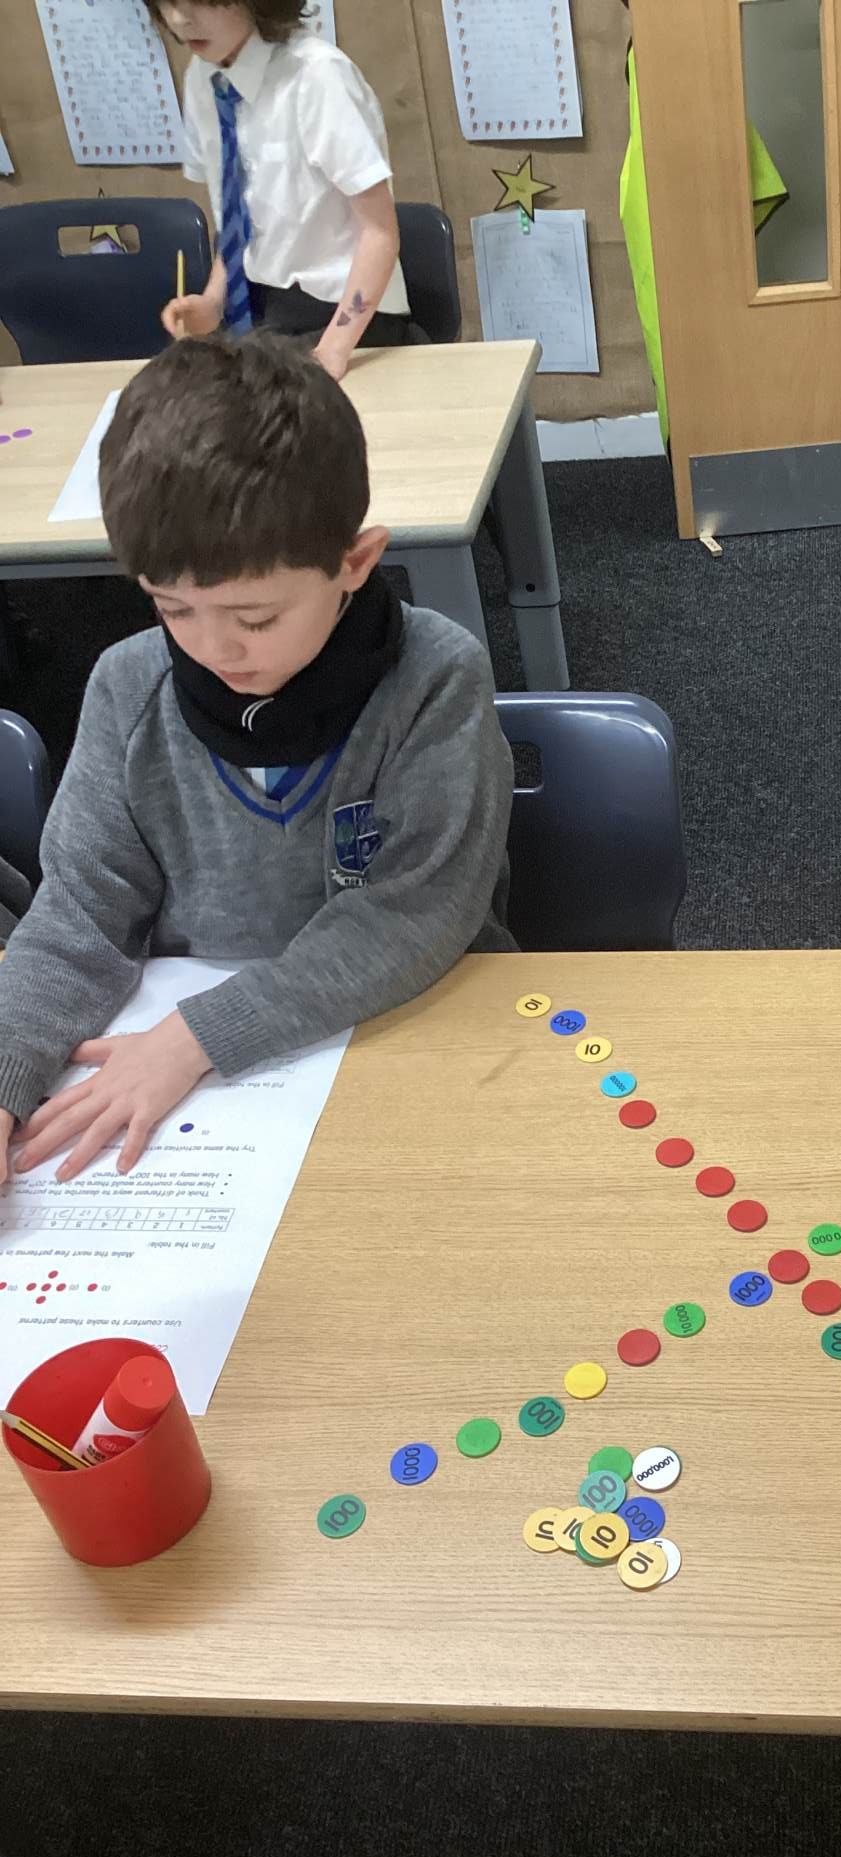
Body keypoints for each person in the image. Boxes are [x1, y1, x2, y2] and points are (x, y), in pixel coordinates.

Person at [0, 332, 513, 1184]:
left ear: (355, 563)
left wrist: (196, 1038)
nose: (214, 649)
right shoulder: (128, 687)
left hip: (417, 1025)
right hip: (219, 1082)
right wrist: (9, 1066)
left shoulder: (436, 678)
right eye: (174, 609)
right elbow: (82, 913)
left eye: (257, 619)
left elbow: (414, 916)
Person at [150, 0, 422, 376]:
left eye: (199, 1)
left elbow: (380, 233)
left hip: (347, 319)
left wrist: (334, 349)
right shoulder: (202, 77)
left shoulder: (316, 75)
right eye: (166, 2)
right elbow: (237, 215)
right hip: (261, 315)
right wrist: (213, 301)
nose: (180, 19)